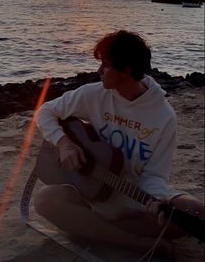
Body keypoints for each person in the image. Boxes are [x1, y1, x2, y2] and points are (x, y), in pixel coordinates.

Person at [34, 30, 204, 257]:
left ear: (127, 70)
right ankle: (135, 243)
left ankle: (93, 229)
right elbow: (44, 111)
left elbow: (154, 174)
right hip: (88, 193)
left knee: (195, 213)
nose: (99, 71)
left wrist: (154, 201)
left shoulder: (163, 117)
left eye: (105, 65)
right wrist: (64, 144)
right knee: (45, 201)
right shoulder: (92, 94)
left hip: (132, 197)